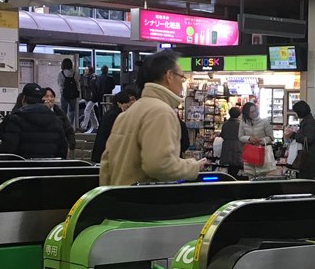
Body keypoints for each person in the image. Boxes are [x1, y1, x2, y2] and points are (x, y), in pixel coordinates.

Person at [100, 53, 207, 186]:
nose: (182, 83)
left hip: (120, 199)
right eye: (182, 77)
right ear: (169, 76)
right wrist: (192, 167)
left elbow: (106, 164)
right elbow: (159, 164)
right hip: (146, 202)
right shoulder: (161, 112)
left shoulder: (128, 113)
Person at [0, 84, 68, 159]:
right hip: (48, 169)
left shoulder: (16, 120)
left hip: (23, 168)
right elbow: (62, 151)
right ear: (41, 100)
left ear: (23, 99)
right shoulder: (56, 120)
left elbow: (8, 151)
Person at [90, 86, 138, 163]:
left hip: (102, 155)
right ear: (119, 103)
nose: (129, 104)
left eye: (133, 100)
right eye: (127, 101)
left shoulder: (111, 113)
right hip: (107, 157)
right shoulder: (117, 115)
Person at [287, 100, 315, 179]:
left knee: (305, 181)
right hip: (311, 157)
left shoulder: (309, 122)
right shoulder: (308, 120)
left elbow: (308, 139)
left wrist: (294, 135)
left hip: (309, 158)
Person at [238, 100, 274, 178]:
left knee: (261, 176)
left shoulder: (264, 122)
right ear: (247, 113)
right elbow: (240, 136)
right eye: (251, 112)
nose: (254, 113)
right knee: (250, 177)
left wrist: (262, 140)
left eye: (255, 110)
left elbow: (271, 137)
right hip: (249, 153)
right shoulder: (243, 123)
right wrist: (248, 139)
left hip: (261, 152)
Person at [42, 87, 76, 154]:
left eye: (52, 96)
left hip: (59, 149)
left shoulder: (59, 113)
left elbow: (69, 130)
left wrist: (69, 145)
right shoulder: (38, 112)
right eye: (46, 96)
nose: (49, 99)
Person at [219, 106, 244, 177]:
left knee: (230, 167)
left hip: (227, 146)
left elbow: (222, 135)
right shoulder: (241, 124)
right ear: (239, 114)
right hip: (238, 146)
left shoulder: (226, 124)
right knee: (237, 166)